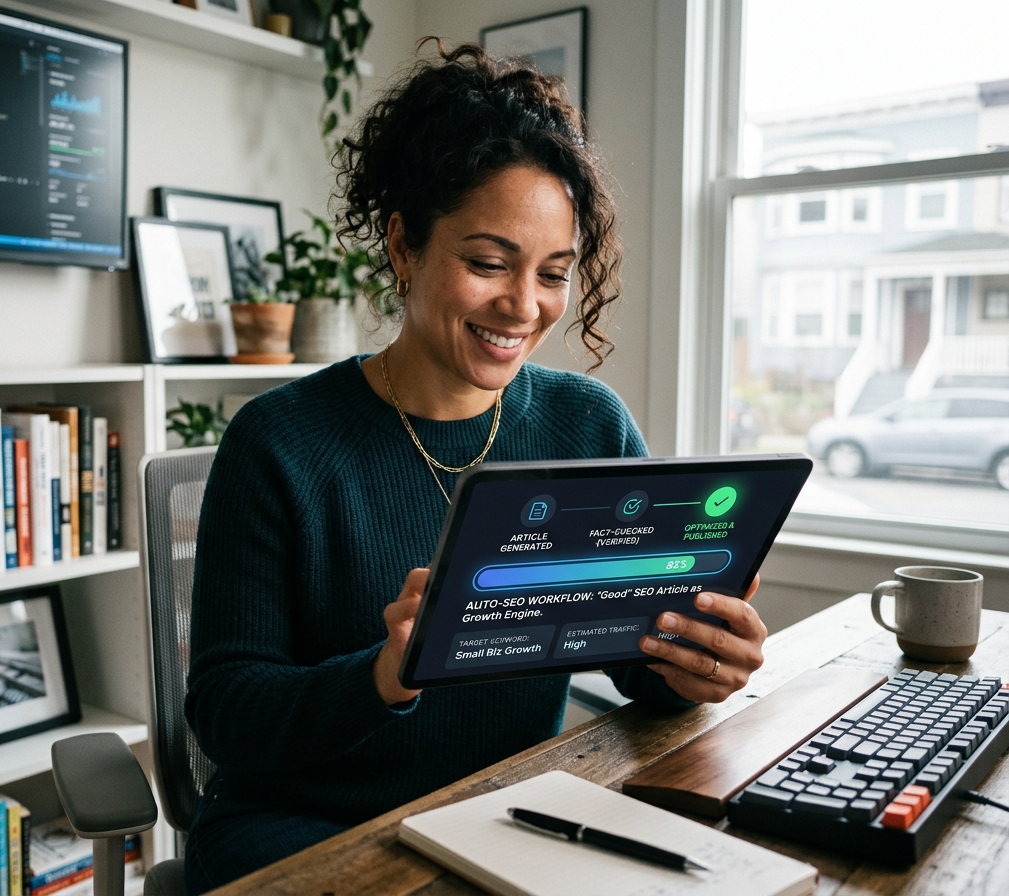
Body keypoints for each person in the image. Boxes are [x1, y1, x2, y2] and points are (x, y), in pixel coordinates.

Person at [183, 42, 766, 894]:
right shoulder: (280, 442)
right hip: (303, 826)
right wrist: (383, 674)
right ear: (404, 246)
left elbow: (636, 659)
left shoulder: (588, 423)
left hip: (506, 812)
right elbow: (227, 716)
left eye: (554, 274)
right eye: (488, 263)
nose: (524, 306)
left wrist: (694, 663)